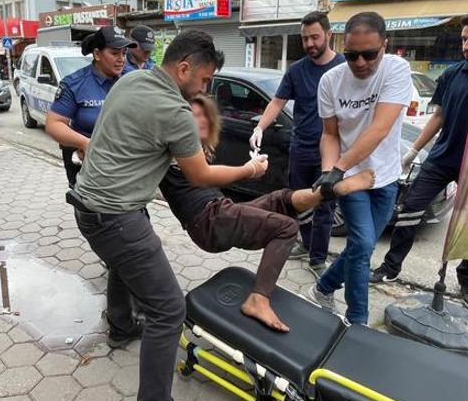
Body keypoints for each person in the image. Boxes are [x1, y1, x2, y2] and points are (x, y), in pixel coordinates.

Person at [70, 29, 267, 401]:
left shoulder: (132, 79)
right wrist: (249, 171)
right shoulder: (174, 110)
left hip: (92, 206)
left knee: (127, 264)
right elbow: (200, 176)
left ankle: (122, 327)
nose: (205, 88)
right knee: (167, 308)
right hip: (115, 215)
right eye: (205, 79)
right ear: (183, 68)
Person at [159, 95, 375, 332]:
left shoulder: (202, 147)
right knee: (286, 228)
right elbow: (204, 174)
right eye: (192, 115)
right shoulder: (174, 146)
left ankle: (327, 190)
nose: (199, 120)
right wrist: (249, 169)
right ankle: (258, 299)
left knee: (281, 199)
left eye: (203, 115)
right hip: (208, 221)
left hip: (220, 210)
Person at [369, 12, 468, 310]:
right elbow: (438, 116)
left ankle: (467, 280)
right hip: (442, 158)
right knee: (410, 209)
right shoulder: (452, 75)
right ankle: (391, 267)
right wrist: (413, 151)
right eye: (465, 38)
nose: (467, 45)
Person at [306, 12, 412, 325]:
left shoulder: (397, 69)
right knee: (364, 247)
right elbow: (330, 134)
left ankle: (323, 286)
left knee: (358, 246)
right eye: (352, 55)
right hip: (351, 179)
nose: (361, 63)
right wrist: (330, 174)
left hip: (385, 176)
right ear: (343, 47)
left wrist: (337, 169)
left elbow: (379, 129)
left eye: (370, 54)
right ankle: (357, 322)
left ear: (385, 45)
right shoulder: (330, 80)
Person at [251, 11, 345, 278]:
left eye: (315, 37)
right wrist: (260, 127)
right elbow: (277, 102)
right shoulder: (297, 70)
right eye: (305, 39)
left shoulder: (344, 68)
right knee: (296, 201)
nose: (310, 43)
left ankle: (318, 258)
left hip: (333, 152)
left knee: (325, 205)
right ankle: (305, 244)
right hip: (301, 148)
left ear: (328, 34)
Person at [45, 26, 136, 186]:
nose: (121, 59)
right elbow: (54, 124)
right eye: (114, 53)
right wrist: (85, 144)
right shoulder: (74, 84)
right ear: (96, 54)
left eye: (124, 53)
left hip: (124, 160)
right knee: (91, 209)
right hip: (86, 161)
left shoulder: (132, 79)